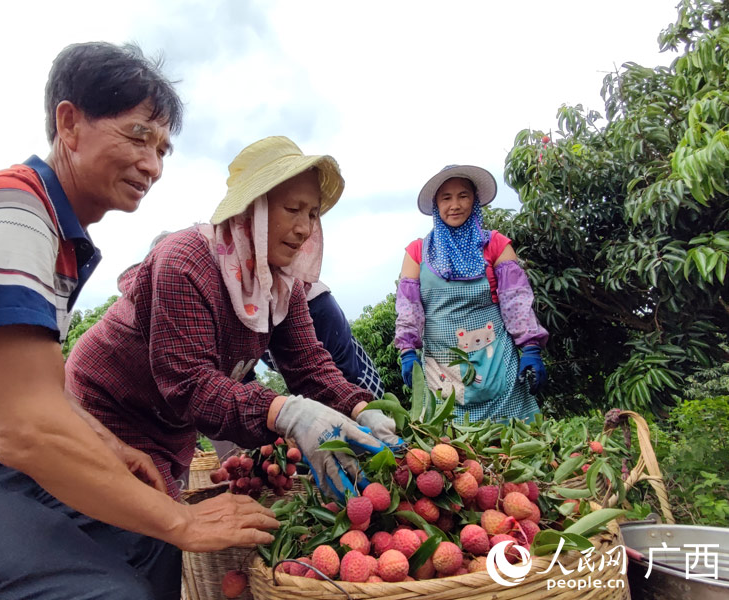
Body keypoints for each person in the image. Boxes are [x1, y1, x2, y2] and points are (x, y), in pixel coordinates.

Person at [0, 42, 277, 600]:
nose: (153, 165)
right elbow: (27, 432)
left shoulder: (57, 236)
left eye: (164, 149)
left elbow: (33, 389)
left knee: (145, 536)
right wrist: (184, 521)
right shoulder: (13, 213)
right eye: (139, 135)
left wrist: (110, 448)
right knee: (110, 586)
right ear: (69, 124)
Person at [65, 136, 401, 503]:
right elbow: (191, 384)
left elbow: (309, 365)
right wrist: (288, 413)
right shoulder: (185, 262)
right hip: (103, 409)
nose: (305, 228)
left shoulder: (280, 283)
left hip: (169, 427)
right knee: (133, 531)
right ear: (253, 210)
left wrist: (363, 409)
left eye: (313, 214)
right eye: (293, 209)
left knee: (159, 530)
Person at [395, 164, 548, 423]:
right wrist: (407, 351)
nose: (455, 205)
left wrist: (531, 347)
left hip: (498, 368)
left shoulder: (496, 245)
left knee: (510, 447)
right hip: (440, 371)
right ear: (436, 205)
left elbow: (517, 302)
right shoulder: (417, 253)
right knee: (445, 453)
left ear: (474, 200)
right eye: (446, 197)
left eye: (463, 196)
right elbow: (409, 308)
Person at [250, 280, 385, 400]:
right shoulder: (249, 317)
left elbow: (339, 372)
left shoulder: (316, 305)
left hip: (355, 386)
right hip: (319, 399)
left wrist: (359, 409)